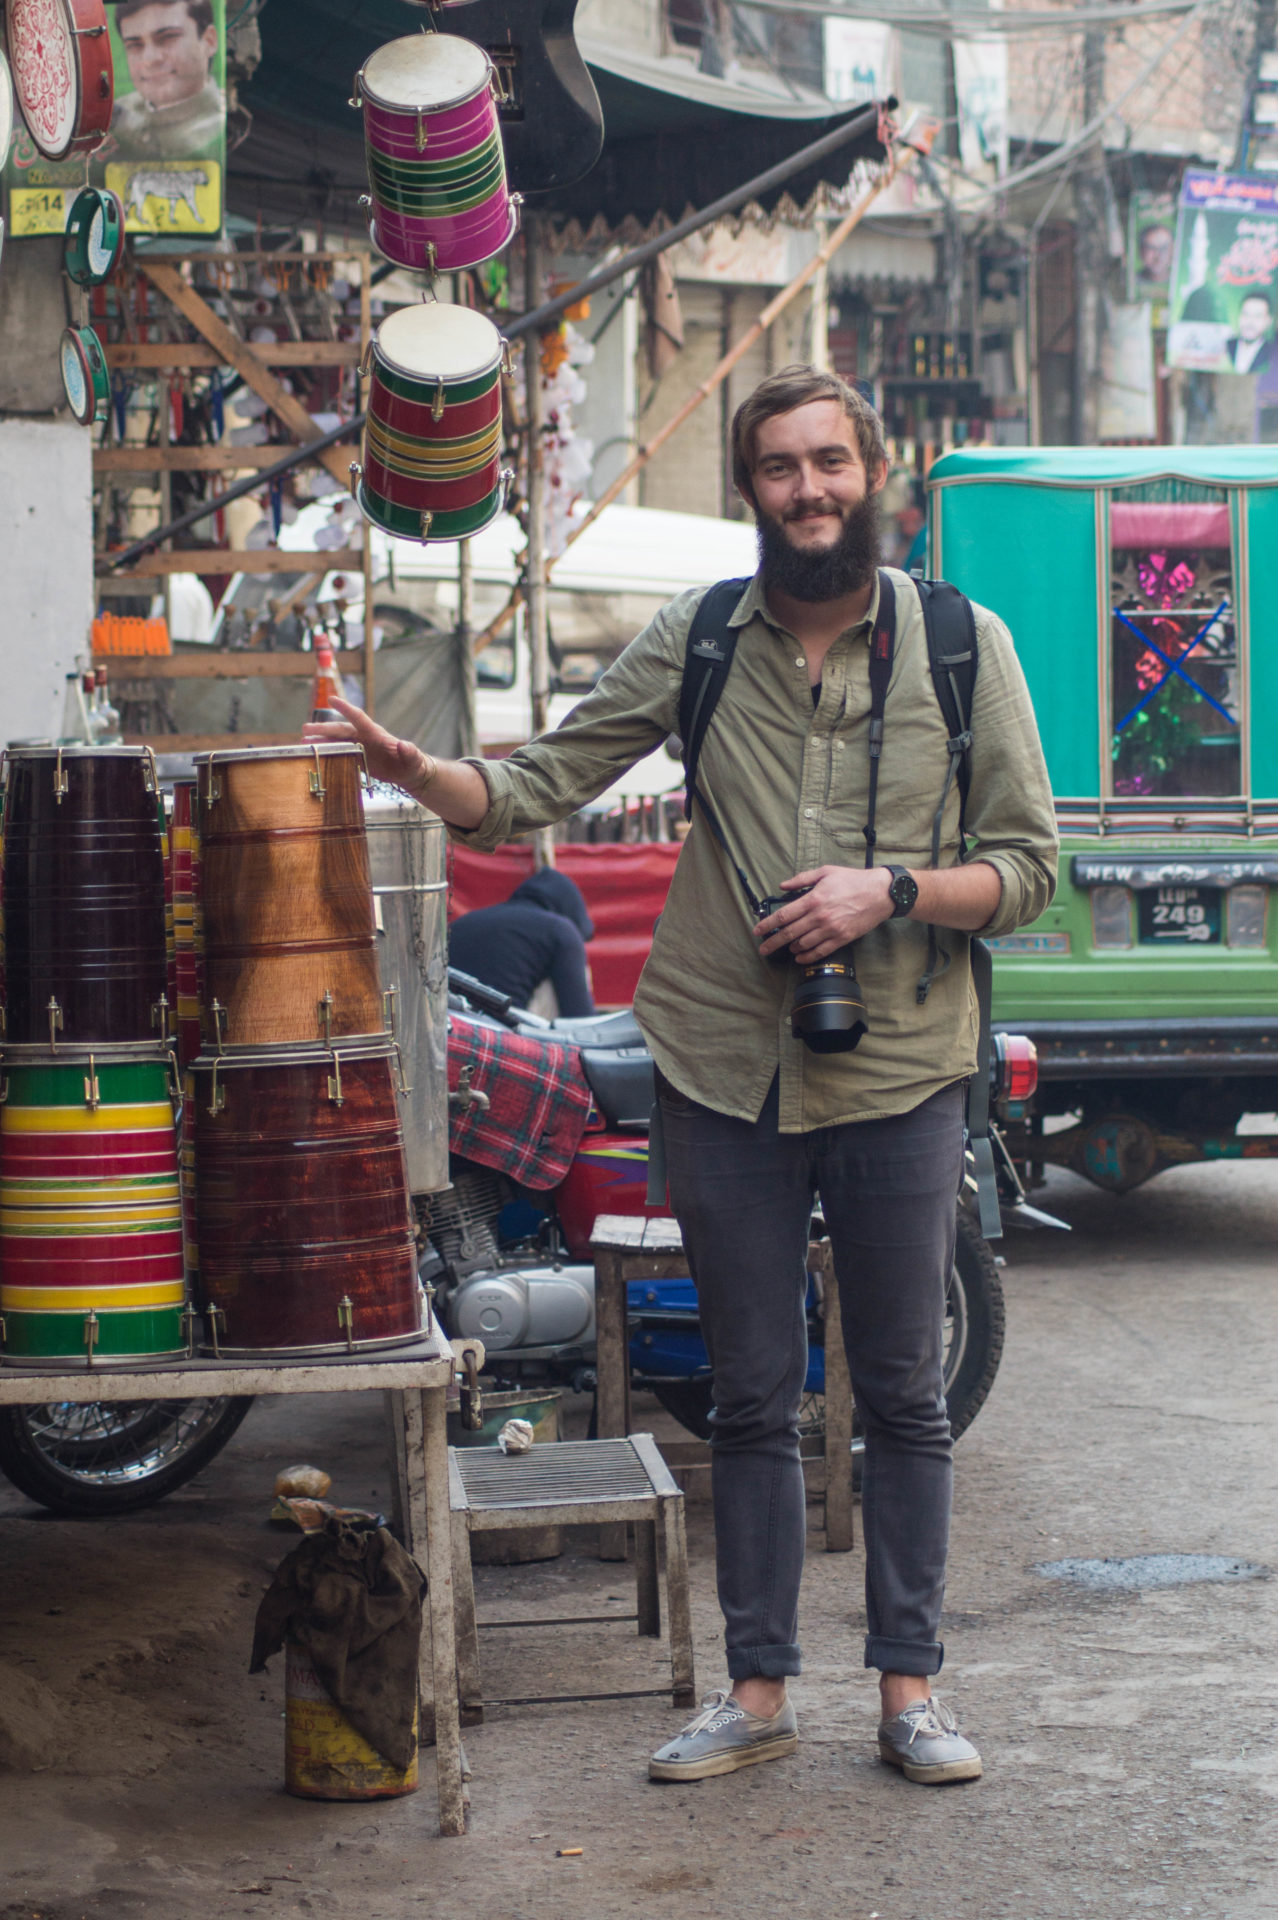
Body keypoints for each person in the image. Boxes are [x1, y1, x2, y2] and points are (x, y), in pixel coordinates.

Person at [306, 365, 1057, 1789]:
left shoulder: (965, 648)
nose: (809, 490)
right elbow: (539, 785)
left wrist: (884, 891)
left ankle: (910, 1693)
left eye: (829, 462)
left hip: (901, 1065)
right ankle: (757, 1692)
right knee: (748, 1390)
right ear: (749, 490)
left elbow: (1027, 870)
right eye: (779, 468)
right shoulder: (699, 638)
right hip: (717, 1062)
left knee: (897, 1391)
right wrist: (417, 768)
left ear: (871, 470)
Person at [448, 869, 597, 1017]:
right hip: (500, 1031)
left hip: (447, 1026)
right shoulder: (561, 929)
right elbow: (580, 1019)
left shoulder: (463, 923)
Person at [109, 0, 224, 163]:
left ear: (209, 41)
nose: (150, 59)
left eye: (167, 37)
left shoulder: (220, 127)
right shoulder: (114, 113)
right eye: (134, 45)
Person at [1225, 291, 1275, 375]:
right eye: (1246, 314)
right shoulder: (1226, 346)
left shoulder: (1272, 352)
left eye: (1258, 316)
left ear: (1268, 321)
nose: (1250, 321)